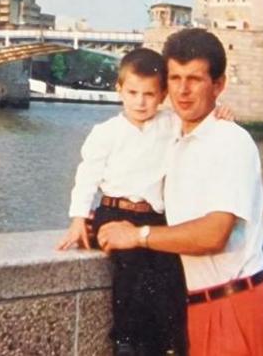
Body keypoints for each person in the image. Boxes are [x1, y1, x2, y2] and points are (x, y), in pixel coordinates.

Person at [98, 28, 263, 356]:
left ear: (219, 85)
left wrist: (137, 235)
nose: (183, 91)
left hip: (233, 307)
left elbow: (214, 234)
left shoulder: (230, 141)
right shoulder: (177, 141)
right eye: (175, 78)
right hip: (196, 309)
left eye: (195, 79)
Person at [55, 47, 188, 355]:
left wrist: (223, 114)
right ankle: (126, 342)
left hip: (154, 216)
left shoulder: (170, 124)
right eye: (132, 92)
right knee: (131, 267)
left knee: (169, 272)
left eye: (149, 94)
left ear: (162, 95)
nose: (140, 102)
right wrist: (78, 219)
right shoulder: (106, 133)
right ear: (119, 90)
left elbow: (203, 120)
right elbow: (87, 176)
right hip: (113, 211)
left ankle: (163, 344)